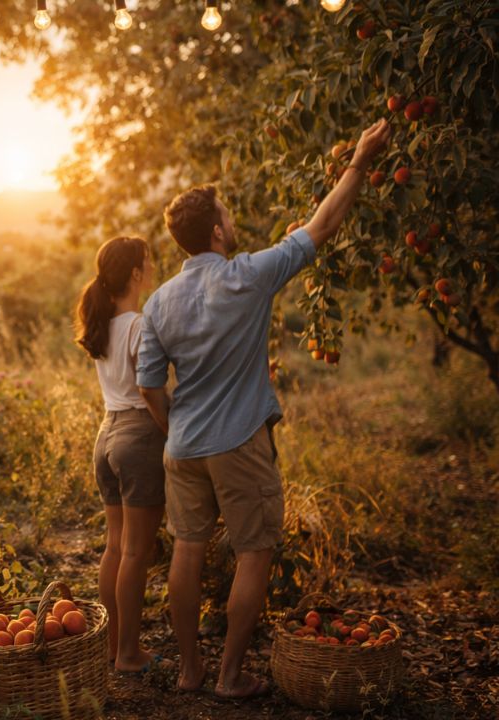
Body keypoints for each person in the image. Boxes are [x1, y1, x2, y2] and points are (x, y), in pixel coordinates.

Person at [136, 118, 391, 698]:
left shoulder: (158, 302)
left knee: (186, 553)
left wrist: (174, 427)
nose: (231, 221)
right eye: (226, 215)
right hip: (238, 444)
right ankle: (229, 676)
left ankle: (190, 671)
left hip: (183, 448)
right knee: (253, 554)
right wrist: (359, 160)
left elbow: (148, 384)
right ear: (218, 230)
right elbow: (324, 225)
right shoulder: (248, 275)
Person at [74, 236, 166, 674]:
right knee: (135, 552)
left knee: (115, 546)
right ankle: (129, 653)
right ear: (135, 273)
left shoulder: (104, 324)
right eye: (148, 262)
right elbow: (150, 390)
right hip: (138, 437)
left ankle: (113, 647)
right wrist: (171, 430)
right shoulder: (139, 326)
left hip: (106, 435)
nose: (152, 268)